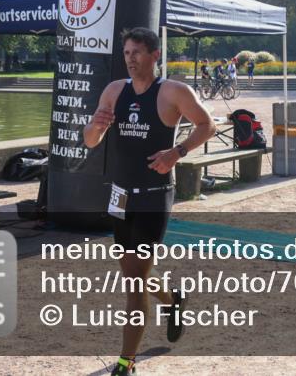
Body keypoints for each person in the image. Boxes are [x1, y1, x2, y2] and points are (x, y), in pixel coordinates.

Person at [83, 28, 215, 374]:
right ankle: (173, 300)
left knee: (134, 280)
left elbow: (207, 125)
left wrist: (177, 151)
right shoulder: (114, 91)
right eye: (127, 53)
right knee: (131, 271)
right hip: (121, 194)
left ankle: (126, 361)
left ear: (155, 55)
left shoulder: (172, 91)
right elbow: (90, 141)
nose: (130, 59)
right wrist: (96, 125)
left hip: (154, 196)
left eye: (137, 52)